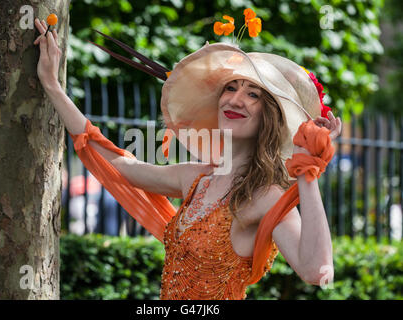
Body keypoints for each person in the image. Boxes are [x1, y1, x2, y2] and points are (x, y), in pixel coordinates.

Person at [33, 15, 342, 299]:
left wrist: (307, 172)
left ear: (270, 117)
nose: (235, 99)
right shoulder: (195, 178)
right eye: (231, 88)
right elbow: (118, 164)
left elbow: (316, 270)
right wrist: (53, 86)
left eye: (253, 94)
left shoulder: (265, 195)